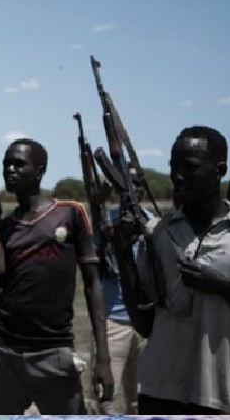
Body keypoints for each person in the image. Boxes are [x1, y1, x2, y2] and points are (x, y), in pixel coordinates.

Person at [113, 125, 230, 414]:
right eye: (173, 166)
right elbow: (145, 325)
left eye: (190, 167)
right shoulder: (158, 232)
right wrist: (124, 255)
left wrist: (223, 289)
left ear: (219, 170)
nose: (178, 176)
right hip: (160, 391)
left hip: (228, 396)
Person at [0, 138, 113, 414]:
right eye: (6, 164)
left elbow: (93, 283)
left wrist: (103, 358)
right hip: (3, 353)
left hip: (53, 353)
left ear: (40, 171)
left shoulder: (70, 213)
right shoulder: (5, 226)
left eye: (19, 164)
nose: (9, 170)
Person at [88, 172, 152, 415]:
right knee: (104, 400)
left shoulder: (153, 222)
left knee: (140, 400)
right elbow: (92, 265)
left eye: (136, 185)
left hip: (145, 326)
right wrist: (106, 239)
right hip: (112, 322)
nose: (132, 190)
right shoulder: (106, 222)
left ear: (143, 189)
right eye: (125, 185)